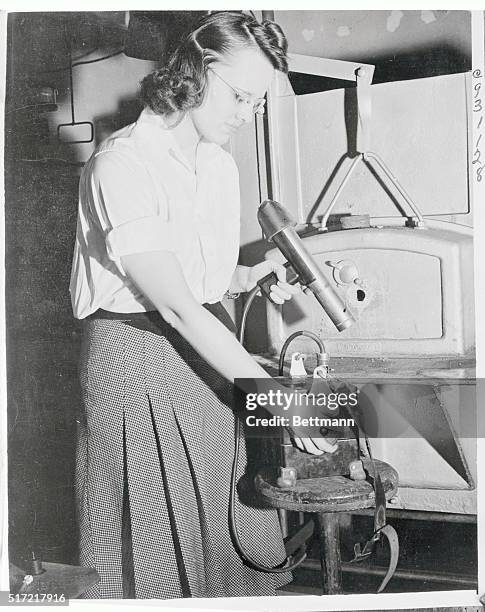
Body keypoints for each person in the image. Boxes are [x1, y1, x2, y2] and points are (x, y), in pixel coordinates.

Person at [70, 11, 333, 600]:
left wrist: (251, 276)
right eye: (239, 97)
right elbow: (177, 308)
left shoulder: (217, 164)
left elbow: (199, 282)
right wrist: (278, 401)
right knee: (151, 553)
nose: (246, 115)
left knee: (225, 521)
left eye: (256, 104)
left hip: (202, 349)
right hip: (134, 365)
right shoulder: (121, 164)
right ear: (193, 70)